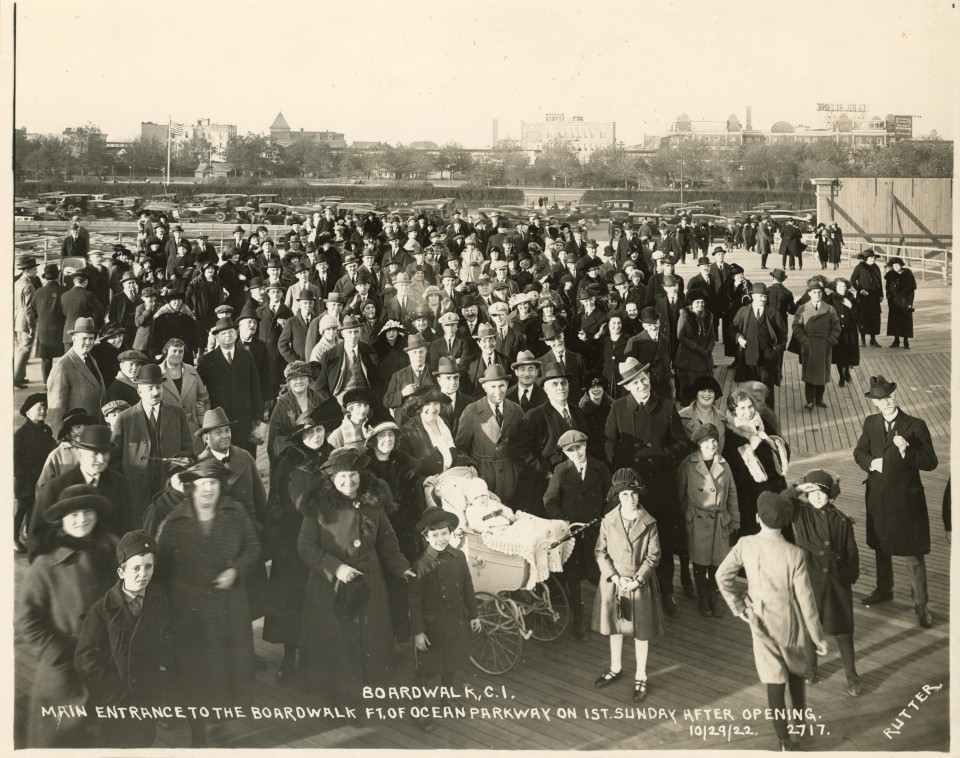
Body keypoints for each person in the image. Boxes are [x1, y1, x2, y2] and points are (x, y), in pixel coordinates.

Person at [297, 448, 415, 707]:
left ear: (361, 476)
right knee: (339, 640)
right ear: (331, 479)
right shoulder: (318, 506)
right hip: (332, 584)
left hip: (368, 577)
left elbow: (387, 539)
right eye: (341, 478)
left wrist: (401, 567)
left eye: (353, 476)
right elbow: (306, 548)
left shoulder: (373, 503)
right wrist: (336, 568)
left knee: (369, 635)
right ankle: (339, 698)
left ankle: (367, 690)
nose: (348, 483)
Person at [155, 458, 261, 747]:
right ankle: (198, 734)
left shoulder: (235, 512)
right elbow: (160, 570)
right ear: (191, 487)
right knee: (193, 672)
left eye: (213, 484)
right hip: (189, 610)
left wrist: (235, 570)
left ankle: (218, 712)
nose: (207, 490)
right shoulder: (174, 521)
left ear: (221, 486)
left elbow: (253, 547)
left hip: (228, 606)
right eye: (202, 484)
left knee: (226, 667)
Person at [717, 491, 828, 751]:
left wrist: (739, 606)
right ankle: (799, 729)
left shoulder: (745, 544)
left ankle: (783, 739)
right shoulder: (794, 553)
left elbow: (723, 576)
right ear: (786, 523)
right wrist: (817, 637)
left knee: (774, 682)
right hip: (789, 623)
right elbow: (806, 601)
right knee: (796, 676)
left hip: (759, 621)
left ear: (758, 518)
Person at [17, 485, 118, 747]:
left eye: (87, 512)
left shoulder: (115, 550)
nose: (81, 519)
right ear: (62, 519)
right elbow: (29, 620)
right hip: (65, 675)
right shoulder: (46, 564)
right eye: (73, 514)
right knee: (63, 739)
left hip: (108, 665)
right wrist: (60, 654)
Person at [262, 402, 341, 685]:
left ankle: (318, 659)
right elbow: (276, 504)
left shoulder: (334, 460)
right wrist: (277, 544)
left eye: (320, 430)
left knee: (322, 600)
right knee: (292, 601)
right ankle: (289, 657)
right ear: (301, 437)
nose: (317, 435)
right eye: (311, 432)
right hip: (293, 544)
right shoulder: (288, 464)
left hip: (327, 542)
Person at [605, 358, 692, 617]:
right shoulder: (619, 408)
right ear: (628, 387)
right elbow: (608, 441)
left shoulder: (666, 407)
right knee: (630, 544)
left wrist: (662, 456)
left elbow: (682, 444)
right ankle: (631, 596)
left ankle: (667, 594)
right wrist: (621, 468)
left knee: (661, 543)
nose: (641, 385)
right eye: (635, 382)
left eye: (644, 379)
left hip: (659, 487)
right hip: (630, 491)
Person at [74, 530, 175, 748]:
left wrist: (161, 671)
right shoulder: (102, 610)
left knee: (145, 740)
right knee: (115, 743)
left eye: (149, 566)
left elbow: (167, 633)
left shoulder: (158, 597)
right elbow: (86, 660)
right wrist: (114, 691)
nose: (143, 574)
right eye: (136, 568)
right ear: (121, 571)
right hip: (115, 701)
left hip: (147, 694)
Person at [853, 375, 938, 627]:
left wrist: (906, 451)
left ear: (895, 396)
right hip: (878, 497)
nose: (886, 402)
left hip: (906, 501)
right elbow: (859, 452)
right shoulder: (870, 423)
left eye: (888, 397)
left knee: (913, 553)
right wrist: (871, 463)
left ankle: (921, 604)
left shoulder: (915, 425)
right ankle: (884, 588)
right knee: (881, 545)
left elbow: (931, 462)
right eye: (880, 399)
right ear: (874, 404)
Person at [591, 469, 664, 703]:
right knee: (616, 627)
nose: (629, 499)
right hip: (614, 583)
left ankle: (640, 675)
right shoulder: (608, 521)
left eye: (633, 494)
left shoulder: (649, 523)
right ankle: (615, 667)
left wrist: (639, 579)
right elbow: (600, 552)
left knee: (640, 632)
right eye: (624, 495)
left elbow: (653, 556)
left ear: (639, 495)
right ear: (617, 497)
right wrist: (614, 577)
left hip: (638, 584)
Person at [408, 508, 480, 733]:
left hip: (454, 620)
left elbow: (468, 587)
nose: (441, 539)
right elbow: (414, 603)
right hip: (431, 627)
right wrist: (419, 631)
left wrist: (474, 615)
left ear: (450, 533)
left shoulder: (458, 557)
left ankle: (446, 701)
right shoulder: (420, 566)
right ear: (426, 537)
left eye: (444, 533)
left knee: (451, 666)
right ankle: (420, 711)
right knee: (427, 671)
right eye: (435, 535)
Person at [791, 470, 862, 695]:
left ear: (828, 493)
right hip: (809, 581)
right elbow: (780, 501)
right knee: (809, 628)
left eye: (821, 492)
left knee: (843, 632)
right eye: (812, 492)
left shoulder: (841, 521)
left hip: (835, 584)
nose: (817, 497)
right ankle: (811, 669)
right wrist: (798, 490)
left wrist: (847, 578)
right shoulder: (800, 514)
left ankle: (852, 677)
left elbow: (852, 554)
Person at [544, 430, 612, 641]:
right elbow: (550, 500)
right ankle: (578, 619)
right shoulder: (560, 471)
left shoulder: (601, 468)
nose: (576, 453)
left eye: (579, 447)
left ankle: (608, 616)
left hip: (597, 530)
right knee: (573, 577)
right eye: (570, 450)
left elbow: (612, 496)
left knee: (603, 573)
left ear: (586, 446)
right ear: (565, 453)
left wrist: (606, 518)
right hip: (573, 533)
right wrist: (563, 520)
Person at [110, 364, 194, 526]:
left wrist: (180, 477)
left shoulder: (177, 414)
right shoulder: (126, 418)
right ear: (139, 391)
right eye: (150, 388)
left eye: (158, 387)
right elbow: (114, 459)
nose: (155, 392)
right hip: (137, 491)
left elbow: (187, 452)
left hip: (169, 489)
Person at [365, 420, 427, 642]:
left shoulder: (406, 465)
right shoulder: (363, 466)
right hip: (373, 531)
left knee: (400, 581)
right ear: (373, 440)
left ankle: (401, 629)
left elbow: (417, 503)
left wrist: (413, 529)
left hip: (402, 531)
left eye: (391, 436)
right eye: (382, 437)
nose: (387, 441)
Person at [677, 424, 739, 618]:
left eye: (714, 441)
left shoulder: (724, 464)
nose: (711, 445)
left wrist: (734, 520)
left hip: (719, 520)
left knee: (716, 563)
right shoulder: (688, 464)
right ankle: (703, 597)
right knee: (699, 562)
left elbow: (732, 493)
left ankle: (713, 597)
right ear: (699, 445)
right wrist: (685, 518)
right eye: (706, 442)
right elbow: (680, 493)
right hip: (697, 520)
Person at [722, 389, 789, 539]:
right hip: (752, 493)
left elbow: (784, 447)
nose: (748, 411)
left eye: (750, 406)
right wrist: (751, 447)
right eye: (742, 408)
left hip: (775, 487)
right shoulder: (730, 433)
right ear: (734, 411)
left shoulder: (761, 422)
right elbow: (734, 467)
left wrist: (773, 443)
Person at [197, 317, 263, 458]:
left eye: (231, 332)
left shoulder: (246, 356)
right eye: (223, 333)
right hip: (220, 419)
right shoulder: (208, 360)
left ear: (236, 334)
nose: (228, 336)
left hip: (244, 416)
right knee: (223, 456)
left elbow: (255, 386)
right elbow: (198, 388)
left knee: (246, 455)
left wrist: (258, 416)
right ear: (217, 337)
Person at [454, 365, 523, 502]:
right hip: (483, 474)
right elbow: (461, 447)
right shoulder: (472, 411)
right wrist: (472, 468)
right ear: (484, 387)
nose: (498, 391)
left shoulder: (516, 410)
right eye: (493, 387)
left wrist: (517, 469)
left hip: (510, 474)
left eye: (501, 386)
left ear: (507, 385)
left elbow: (523, 444)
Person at [733, 283, 788, 409]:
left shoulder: (773, 313)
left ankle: (768, 416)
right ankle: (751, 414)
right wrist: (739, 338)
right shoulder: (743, 311)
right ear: (753, 296)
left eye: (764, 297)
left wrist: (775, 351)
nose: (763, 299)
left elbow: (783, 335)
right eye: (760, 296)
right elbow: (732, 328)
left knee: (767, 389)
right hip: (748, 357)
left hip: (767, 359)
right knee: (749, 388)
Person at [47, 317, 106, 434]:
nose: (88, 342)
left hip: (93, 430)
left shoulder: (91, 360)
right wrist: (59, 437)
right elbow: (56, 409)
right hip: (77, 433)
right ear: (74, 339)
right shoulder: (63, 365)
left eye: (91, 338)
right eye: (84, 338)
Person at [15, 394, 56, 553]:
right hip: (25, 478)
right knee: (23, 507)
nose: (43, 410)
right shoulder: (21, 434)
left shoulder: (46, 430)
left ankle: (30, 534)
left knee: (35, 507)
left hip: (40, 475)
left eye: (45, 407)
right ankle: (14, 537)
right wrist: (21, 475)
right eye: (39, 407)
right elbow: (15, 457)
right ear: (28, 413)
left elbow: (51, 447)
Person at [792, 280, 841, 410]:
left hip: (824, 346)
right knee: (809, 375)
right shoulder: (802, 308)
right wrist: (804, 340)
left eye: (820, 292)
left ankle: (819, 399)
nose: (817, 294)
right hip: (808, 345)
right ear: (809, 293)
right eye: (814, 292)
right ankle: (809, 401)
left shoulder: (830, 309)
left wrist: (830, 340)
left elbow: (836, 327)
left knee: (822, 375)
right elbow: (796, 326)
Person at [158, 337, 210, 452]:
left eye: (180, 351)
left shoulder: (191, 370)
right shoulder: (157, 373)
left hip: (192, 428)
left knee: (195, 464)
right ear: (166, 351)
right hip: (167, 428)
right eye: (174, 351)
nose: (177, 354)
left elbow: (203, 397)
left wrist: (202, 420)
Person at [399, 386, 460, 477]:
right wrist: (424, 481)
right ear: (419, 406)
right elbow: (404, 470)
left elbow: (455, 455)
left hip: (449, 480)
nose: (432, 409)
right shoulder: (407, 431)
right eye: (427, 404)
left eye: (436, 403)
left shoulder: (445, 424)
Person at [674, 292, 716, 404]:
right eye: (697, 302)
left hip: (705, 358)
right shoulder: (684, 315)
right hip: (689, 358)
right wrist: (698, 348)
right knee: (691, 388)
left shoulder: (709, 315)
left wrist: (708, 349)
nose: (700, 304)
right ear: (691, 304)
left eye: (702, 302)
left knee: (706, 386)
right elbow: (681, 336)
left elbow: (712, 336)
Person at [35, 263, 68, 382]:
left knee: (46, 359)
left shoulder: (38, 292)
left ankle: (47, 382)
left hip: (44, 330)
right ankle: (61, 381)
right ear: (58, 275)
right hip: (60, 329)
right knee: (63, 358)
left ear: (46, 277)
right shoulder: (64, 290)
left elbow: (32, 311)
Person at [678, 376, 727, 452]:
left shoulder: (722, 420)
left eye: (711, 391)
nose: (707, 393)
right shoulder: (680, 417)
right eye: (703, 390)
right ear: (696, 393)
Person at [829, 278, 860, 387]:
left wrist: (851, 306)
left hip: (850, 330)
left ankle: (846, 371)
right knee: (838, 355)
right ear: (835, 288)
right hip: (837, 331)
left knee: (848, 353)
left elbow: (858, 316)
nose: (842, 288)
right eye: (840, 286)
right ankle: (841, 376)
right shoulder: (831, 298)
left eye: (844, 286)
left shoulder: (851, 297)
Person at [850, 250, 883, 347]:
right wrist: (860, 290)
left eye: (874, 258)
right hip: (863, 297)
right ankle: (863, 339)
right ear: (866, 259)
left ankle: (873, 340)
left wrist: (881, 294)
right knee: (863, 317)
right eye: (871, 258)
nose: (873, 259)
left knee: (875, 318)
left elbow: (879, 281)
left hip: (875, 296)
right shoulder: (860, 267)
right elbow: (852, 281)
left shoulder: (876, 267)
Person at [14, 256, 38, 389]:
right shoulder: (29, 285)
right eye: (34, 270)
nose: (36, 272)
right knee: (25, 349)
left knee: (20, 348)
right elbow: (29, 308)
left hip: (18, 320)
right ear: (28, 271)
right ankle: (17, 379)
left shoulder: (17, 282)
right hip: (25, 322)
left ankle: (20, 376)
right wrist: (31, 326)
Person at [884, 257, 917, 348]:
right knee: (895, 321)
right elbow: (887, 288)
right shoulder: (890, 275)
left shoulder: (907, 273)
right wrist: (889, 298)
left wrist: (910, 302)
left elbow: (911, 290)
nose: (896, 267)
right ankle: (896, 340)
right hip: (894, 302)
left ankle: (906, 341)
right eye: (894, 265)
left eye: (897, 265)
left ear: (901, 265)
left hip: (905, 301)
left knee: (906, 321)